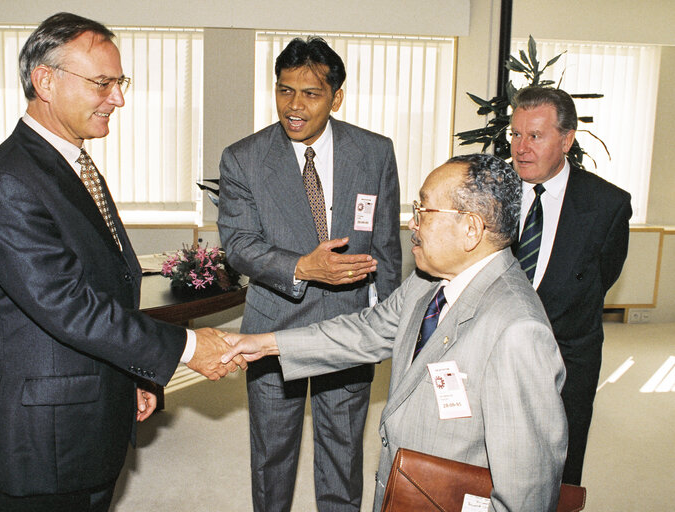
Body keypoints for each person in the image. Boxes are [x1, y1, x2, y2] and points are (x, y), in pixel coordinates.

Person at [0, 12, 244, 512]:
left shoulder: (72, 163)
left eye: (119, 82)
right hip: (42, 444)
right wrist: (187, 345)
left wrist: (131, 373)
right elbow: (70, 309)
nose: (118, 98)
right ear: (45, 81)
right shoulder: (7, 182)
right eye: (102, 83)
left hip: (89, 420)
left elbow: (109, 283)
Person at [222, 153, 568, 512]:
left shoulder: (518, 330)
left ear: (471, 229)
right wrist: (266, 343)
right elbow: (365, 331)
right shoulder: (427, 282)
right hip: (405, 490)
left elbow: (528, 492)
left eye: (424, 212)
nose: (411, 224)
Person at [217, 37, 402, 511]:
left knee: (342, 453)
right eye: (284, 91)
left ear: (336, 97)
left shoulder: (375, 152)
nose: (294, 106)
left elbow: (385, 244)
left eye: (310, 94)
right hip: (273, 326)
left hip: (347, 327)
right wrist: (303, 267)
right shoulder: (243, 158)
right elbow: (238, 245)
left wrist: (392, 325)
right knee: (272, 455)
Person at [509, 86, 632, 485]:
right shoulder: (489, 190)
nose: (521, 148)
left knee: (559, 463)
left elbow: (602, 276)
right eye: (515, 134)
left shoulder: (606, 204)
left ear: (566, 139)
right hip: (494, 345)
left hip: (568, 353)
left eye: (535, 136)